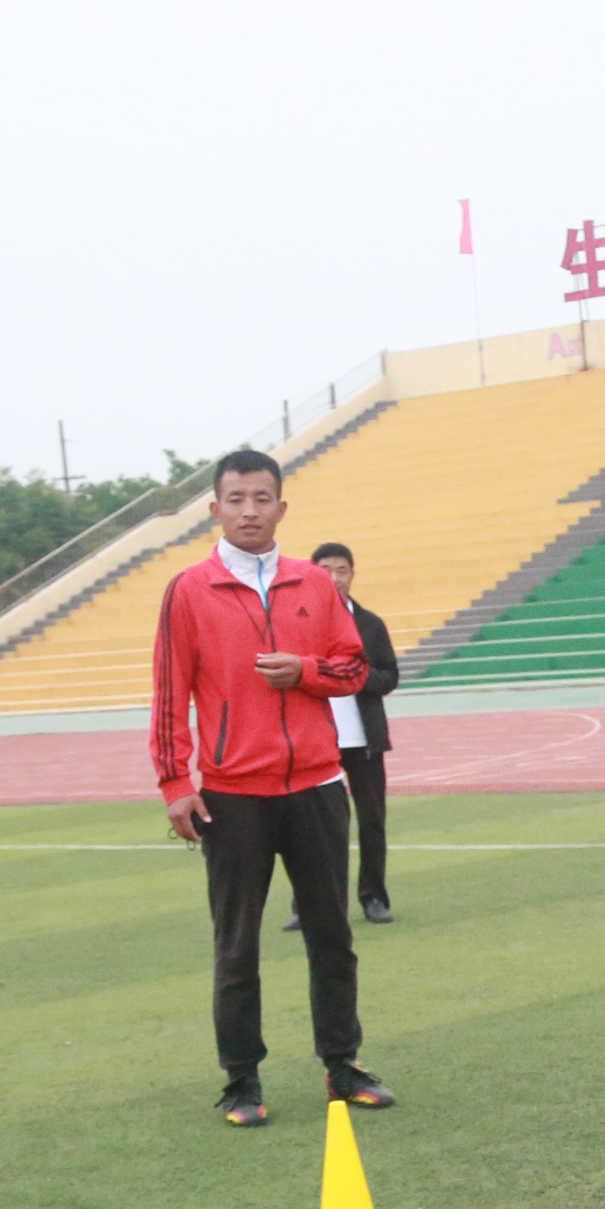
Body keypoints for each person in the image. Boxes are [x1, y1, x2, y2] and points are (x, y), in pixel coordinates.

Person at [150, 450, 397, 1128]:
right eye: (236, 499)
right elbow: (170, 692)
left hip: (317, 785)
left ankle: (342, 1065)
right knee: (237, 944)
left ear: (281, 506)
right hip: (231, 793)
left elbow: (354, 667)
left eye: (262, 498)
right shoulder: (188, 590)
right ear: (215, 508)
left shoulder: (314, 584)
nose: (249, 510)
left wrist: (306, 670)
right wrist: (175, 780)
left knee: (332, 935)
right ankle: (241, 1080)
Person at [297, 539, 398, 924]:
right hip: (314, 739)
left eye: (341, 570)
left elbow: (390, 676)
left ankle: (374, 896)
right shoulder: (298, 622)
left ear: (352, 574)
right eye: (325, 571)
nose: (334, 578)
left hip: (364, 741)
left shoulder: (370, 625)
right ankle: (306, 904)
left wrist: (354, 676)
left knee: (371, 820)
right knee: (312, 827)